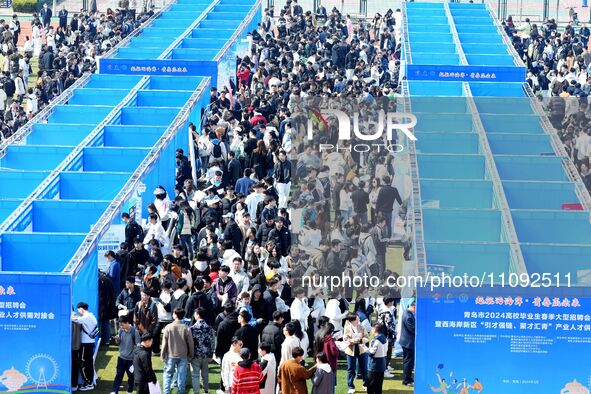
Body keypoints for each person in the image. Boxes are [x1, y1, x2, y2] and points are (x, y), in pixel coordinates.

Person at [161, 308, 195, 394]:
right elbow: (191, 344)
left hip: (170, 355)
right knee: (181, 376)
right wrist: (191, 355)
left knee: (168, 375)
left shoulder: (168, 327)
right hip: (183, 355)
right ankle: (181, 392)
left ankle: (166, 392)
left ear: (175, 315)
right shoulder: (186, 328)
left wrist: (162, 354)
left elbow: (164, 343)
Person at [112, 316, 141, 394]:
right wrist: (117, 340)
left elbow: (138, 346)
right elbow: (119, 343)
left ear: (127, 323)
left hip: (131, 360)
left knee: (131, 377)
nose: (121, 327)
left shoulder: (135, 332)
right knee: (118, 375)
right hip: (121, 358)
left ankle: (129, 391)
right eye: (120, 325)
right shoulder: (120, 331)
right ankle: (115, 391)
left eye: (122, 325)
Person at [73, 302, 98, 391]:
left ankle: (88, 383)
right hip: (90, 343)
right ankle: (89, 382)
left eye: (78, 310)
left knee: (84, 364)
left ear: (81, 308)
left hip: (85, 344)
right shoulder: (92, 316)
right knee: (89, 364)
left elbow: (74, 320)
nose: (78, 311)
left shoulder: (85, 318)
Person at [190, 307, 215, 394]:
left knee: (195, 375)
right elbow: (212, 342)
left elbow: (190, 343)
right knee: (205, 374)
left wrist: (190, 354)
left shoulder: (192, 328)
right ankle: (206, 391)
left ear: (197, 315)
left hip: (195, 355)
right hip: (206, 355)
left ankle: (196, 392)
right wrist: (211, 354)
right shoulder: (209, 328)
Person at [343, 313, 369, 393]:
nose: (358, 320)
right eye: (357, 319)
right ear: (352, 320)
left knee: (364, 368)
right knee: (351, 369)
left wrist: (360, 340)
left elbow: (367, 337)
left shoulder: (361, 327)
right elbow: (345, 339)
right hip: (351, 351)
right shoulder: (347, 328)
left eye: (358, 319)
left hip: (361, 350)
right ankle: (351, 386)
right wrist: (351, 341)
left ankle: (366, 384)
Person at [367, 324, 388, 394]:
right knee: (379, 386)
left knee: (371, 385)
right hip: (382, 364)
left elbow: (371, 353)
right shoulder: (385, 338)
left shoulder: (375, 340)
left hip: (374, 365)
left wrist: (366, 350)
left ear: (375, 330)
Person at [399, 300, 416, 387]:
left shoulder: (408, 313)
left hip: (407, 342)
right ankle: (406, 380)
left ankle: (409, 378)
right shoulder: (408, 316)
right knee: (408, 362)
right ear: (413, 306)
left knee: (409, 362)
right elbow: (413, 329)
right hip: (408, 343)